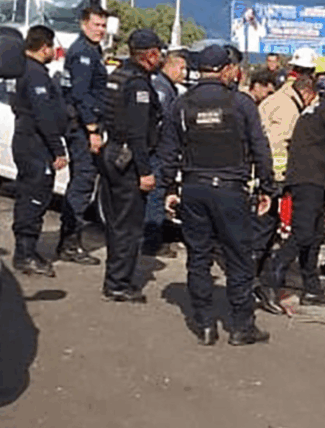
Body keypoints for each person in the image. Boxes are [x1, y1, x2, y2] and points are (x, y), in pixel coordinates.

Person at [159, 45, 275, 346]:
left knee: (199, 257)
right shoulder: (241, 103)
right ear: (225, 70)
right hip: (230, 190)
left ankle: (205, 323)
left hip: (194, 188)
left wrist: (169, 188)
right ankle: (241, 326)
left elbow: (168, 151)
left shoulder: (181, 104)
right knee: (238, 258)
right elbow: (260, 148)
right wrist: (267, 187)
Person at [262, 73, 325, 312]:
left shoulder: (315, 108)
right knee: (303, 234)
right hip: (311, 178)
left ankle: (311, 288)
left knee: (314, 236)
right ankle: (270, 279)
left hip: (309, 177)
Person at [98, 29, 165, 303]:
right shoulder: (138, 85)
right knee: (128, 226)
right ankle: (118, 283)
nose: (161, 58)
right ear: (150, 55)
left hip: (112, 152)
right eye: (159, 53)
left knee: (116, 222)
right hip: (127, 160)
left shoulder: (118, 74)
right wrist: (145, 171)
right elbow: (137, 133)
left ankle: (115, 278)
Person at [10, 25, 68, 276]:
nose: (54, 52)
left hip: (28, 140)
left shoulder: (22, 69)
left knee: (28, 196)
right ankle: (25, 254)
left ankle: (26, 251)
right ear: (44, 47)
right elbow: (43, 115)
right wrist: (58, 149)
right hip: (35, 144)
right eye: (52, 47)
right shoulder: (34, 74)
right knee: (34, 198)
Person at [56, 2, 110, 266]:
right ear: (83, 24)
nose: (100, 30)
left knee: (83, 182)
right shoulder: (83, 53)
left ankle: (70, 239)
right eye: (96, 25)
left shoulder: (92, 50)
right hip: (81, 128)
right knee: (82, 183)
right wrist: (92, 129)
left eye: (103, 25)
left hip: (84, 125)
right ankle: (69, 243)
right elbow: (80, 95)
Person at [143, 49, 187, 258]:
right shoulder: (161, 89)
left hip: (161, 151)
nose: (184, 73)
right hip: (158, 151)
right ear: (169, 66)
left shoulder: (169, 88)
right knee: (155, 197)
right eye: (181, 68)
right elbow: (158, 124)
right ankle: (151, 243)